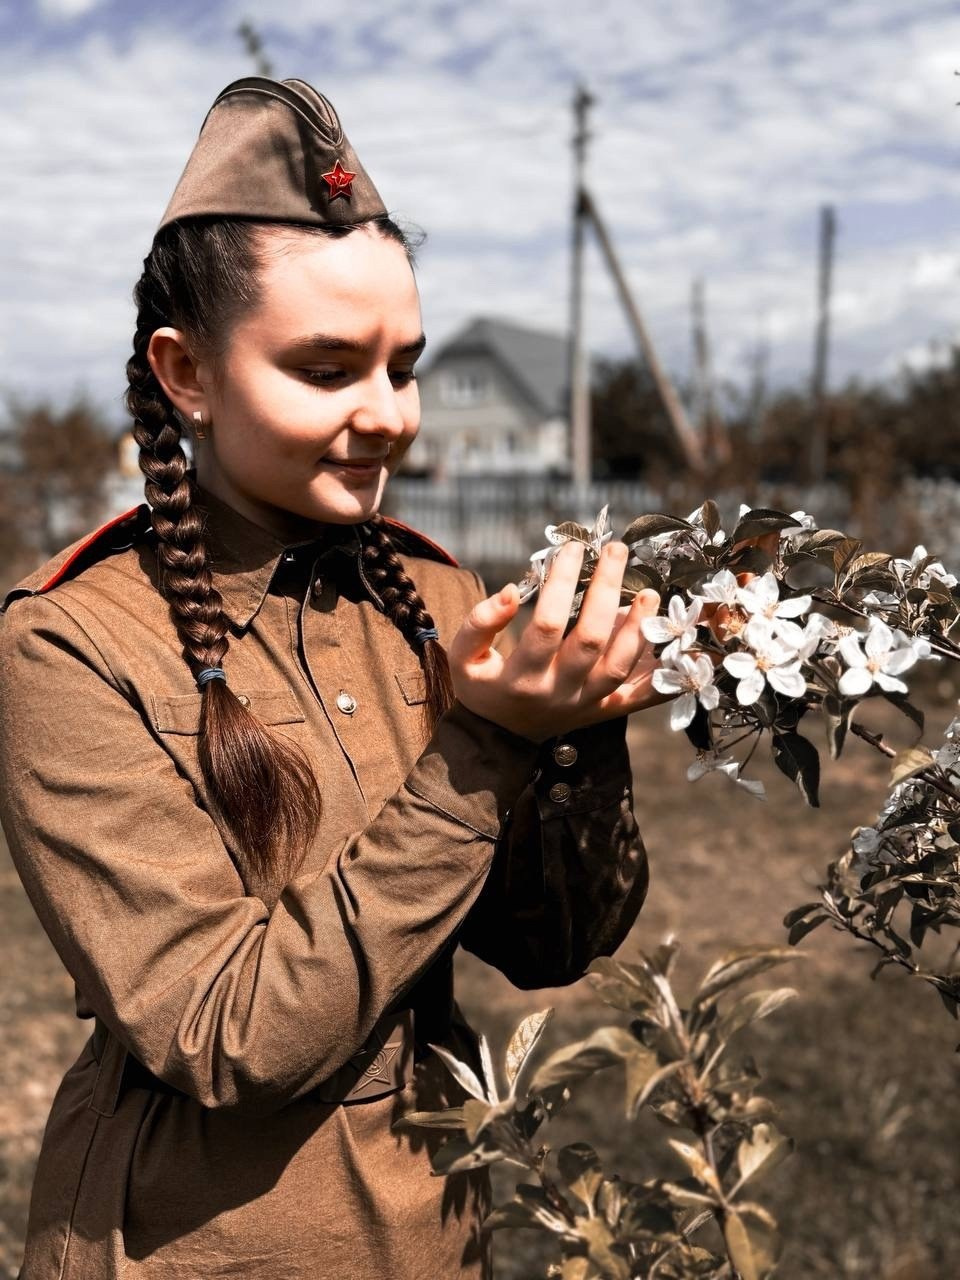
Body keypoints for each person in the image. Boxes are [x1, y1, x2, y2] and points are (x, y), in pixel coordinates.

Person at [0, 77, 665, 1280]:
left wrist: (579, 726)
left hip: (434, 1224)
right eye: (324, 370)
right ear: (186, 374)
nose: (388, 416)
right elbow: (221, 1032)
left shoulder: (436, 596)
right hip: (191, 1244)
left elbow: (551, 945)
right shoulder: (70, 643)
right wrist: (486, 749)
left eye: (402, 366)